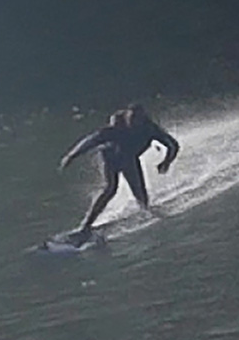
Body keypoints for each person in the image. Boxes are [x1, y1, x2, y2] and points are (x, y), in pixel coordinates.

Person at [58, 102, 179, 239]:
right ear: (127, 117)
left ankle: (147, 212)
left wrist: (166, 161)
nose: (134, 123)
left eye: (137, 120)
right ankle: (86, 226)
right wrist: (71, 156)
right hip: (110, 158)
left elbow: (173, 145)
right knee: (110, 189)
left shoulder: (150, 129)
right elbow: (91, 141)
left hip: (130, 160)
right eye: (132, 119)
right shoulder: (115, 128)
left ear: (143, 119)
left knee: (141, 196)